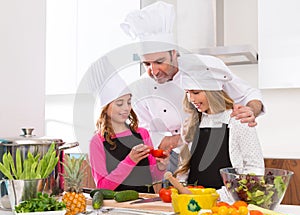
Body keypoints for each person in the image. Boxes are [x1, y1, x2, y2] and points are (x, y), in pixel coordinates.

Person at [120, 1, 265, 174]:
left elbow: (249, 93)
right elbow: (144, 132)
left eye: (159, 62)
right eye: (147, 64)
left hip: (221, 149)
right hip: (173, 157)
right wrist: (182, 138)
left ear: (174, 53)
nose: (154, 71)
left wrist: (250, 110)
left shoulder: (205, 66)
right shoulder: (140, 88)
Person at [173, 54, 264, 189]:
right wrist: (181, 188)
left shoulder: (238, 120)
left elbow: (254, 168)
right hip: (194, 200)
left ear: (213, 92)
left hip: (227, 203)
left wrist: (232, 195)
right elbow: (185, 168)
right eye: (187, 92)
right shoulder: (192, 123)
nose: (191, 98)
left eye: (196, 92)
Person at [88, 57, 170, 193]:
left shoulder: (142, 134)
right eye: (120, 103)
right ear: (105, 108)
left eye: (128, 102)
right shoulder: (97, 141)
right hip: (116, 207)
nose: (126, 108)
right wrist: (130, 160)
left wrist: (161, 167)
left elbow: (153, 177)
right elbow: (102, 187)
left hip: (146, 203)